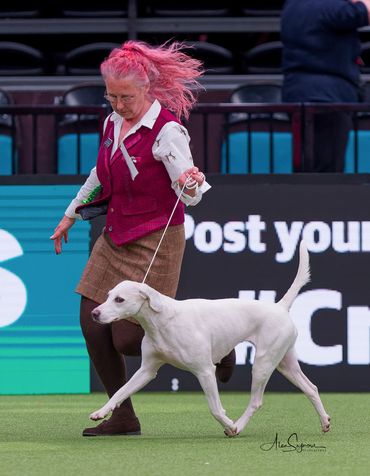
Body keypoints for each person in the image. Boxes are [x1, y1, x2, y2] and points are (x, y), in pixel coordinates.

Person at [50, 40, 236, 437]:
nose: (117, 105)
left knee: (129, 338)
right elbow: (100, 174)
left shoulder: (168, 131)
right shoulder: (111, 122)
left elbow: (190, 193)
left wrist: (191, 184)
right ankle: (122, 415)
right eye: (111, 96)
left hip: (157, 236)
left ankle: (220, 344)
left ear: (147, 89)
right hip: (115, 234)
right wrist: (70, 214)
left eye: (126, 97)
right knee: (92, 321)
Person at [281, 0, 370, 172]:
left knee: (308, 168)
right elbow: (365, 11)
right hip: (326, 99)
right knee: (326, 172)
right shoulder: (327, 6)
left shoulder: (293, 5)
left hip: (300, 93)